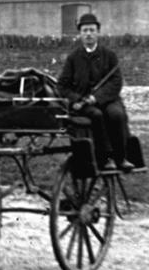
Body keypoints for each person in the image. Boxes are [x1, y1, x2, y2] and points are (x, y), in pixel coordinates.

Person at [57, 13, 133, 171]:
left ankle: (121, 158)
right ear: (80, 34)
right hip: (82, 104)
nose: (88, 34)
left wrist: (97, 98)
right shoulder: (73, 58)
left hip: (108, 99)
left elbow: (116, 82)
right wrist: (77, 99)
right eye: (85, 30)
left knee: (116, 114)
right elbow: (62, 86)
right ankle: (105, 158)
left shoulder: (109, 55)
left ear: (98, 32)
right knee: (96, 115)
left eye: (92, 30)